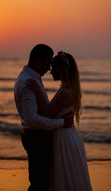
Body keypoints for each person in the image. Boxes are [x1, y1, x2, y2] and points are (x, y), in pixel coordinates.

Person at [26, 51, 93, 191]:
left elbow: (48, 114)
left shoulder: (66, 92)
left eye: (54, 68)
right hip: (65, 135)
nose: (51, 72)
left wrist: (38, 92)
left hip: (64, 139)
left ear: (62, 70)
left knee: (65, 177)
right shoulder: (65, 89)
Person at [14, 44, 73, 191]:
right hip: (37, 138)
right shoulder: (28, 82)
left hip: (37, 137)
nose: (49, 69)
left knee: (42, 182)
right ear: (37, 60)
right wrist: (62, 122)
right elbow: (32, 120)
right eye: (48, 63)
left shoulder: (32, 78)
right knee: (40, 184)